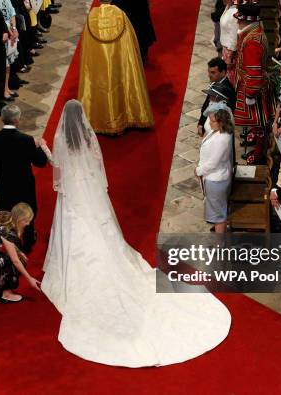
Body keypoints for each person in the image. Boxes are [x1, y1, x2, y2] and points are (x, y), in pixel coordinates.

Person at [41, 99, 231, 367]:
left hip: (73, 199)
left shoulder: (62, 140)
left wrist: (46, 150)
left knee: (76, 236)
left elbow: (58, 172)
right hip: (92, 197)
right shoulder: (87, 139)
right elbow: (97, 167)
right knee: (102, 235)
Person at [78, 0, 154, 134]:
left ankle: (97, 118)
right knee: (119, 85)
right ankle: (125, 116)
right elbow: (130, 43)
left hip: (99, 65)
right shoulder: (121, 15)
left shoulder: (92, 18)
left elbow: (87, 49)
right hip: (117, 61)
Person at [0, 104, 47, 252]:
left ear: (1, 119)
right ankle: (29, 241)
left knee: (6, 216)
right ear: (17, 120)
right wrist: (40, 146)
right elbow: (41, 162)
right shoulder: (27, 140)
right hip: (25, 186)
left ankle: (9, 245)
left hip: (4, 186)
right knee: (28, 214)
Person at [232, 0, 271, 164]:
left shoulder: (252, 42)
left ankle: (259, 153)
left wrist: (250, 93)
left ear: (246, 20)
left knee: (259, 121)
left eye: (239, 19)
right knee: (256, 122)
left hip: (254, 88)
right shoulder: (253, 33)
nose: (238, 22)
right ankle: (255, 139)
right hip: (253, 85)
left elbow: (254, 72)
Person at [195, 104, 233, 233]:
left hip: (216, 180)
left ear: (221, 122)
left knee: (218, 216)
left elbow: (213, 163)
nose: (210, 123)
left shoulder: (222, 139)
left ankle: (219, 246)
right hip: (215, 177)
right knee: (218, 210)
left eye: (212, 121)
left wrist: (199, 171)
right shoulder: (218, 131)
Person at [197, 57, 236, 136]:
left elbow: (223, 117)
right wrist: (201, 123)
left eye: (213, 72)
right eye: (209, 72)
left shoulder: (226, 90)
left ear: (223, 72)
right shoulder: (216, 82)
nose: (209, 75)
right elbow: (206, 104)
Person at [218, 0, 238, 84]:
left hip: (230, 52)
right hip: (225, 49)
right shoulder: (228, 7)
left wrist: (230, 57)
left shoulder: (235, 11)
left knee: (230, 78)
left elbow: (234, 34)